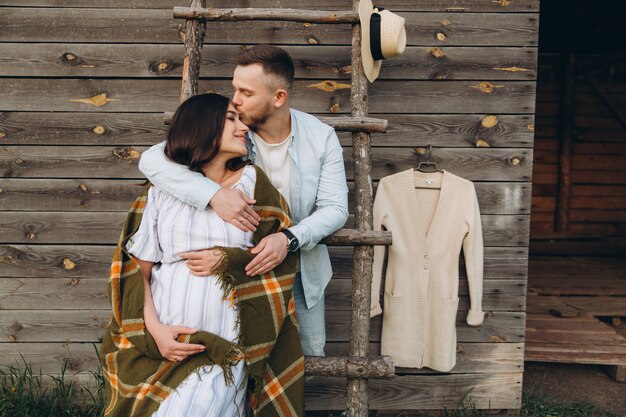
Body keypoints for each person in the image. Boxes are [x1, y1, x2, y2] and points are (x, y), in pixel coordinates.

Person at [99, 93, 304, 417]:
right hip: (167, 344)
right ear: (202, 126)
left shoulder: (254, 185)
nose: (243, 128)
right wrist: (154, 331)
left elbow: (277, 260)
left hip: (225, 345)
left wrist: (230, 259)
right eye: (231, 119)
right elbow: (138, 271)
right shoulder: (162, 191)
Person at [138, 44, 349, 356]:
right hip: (235, 274)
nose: (235, 100)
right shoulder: (229, 132)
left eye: (246, 92)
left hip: (302, 270)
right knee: (245, 359)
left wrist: (289, 238)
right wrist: (213, 195)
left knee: (301, 356)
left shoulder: (321, 138)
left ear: (279, 97)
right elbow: (152, 159)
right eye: (235, 88)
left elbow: (335, 208)